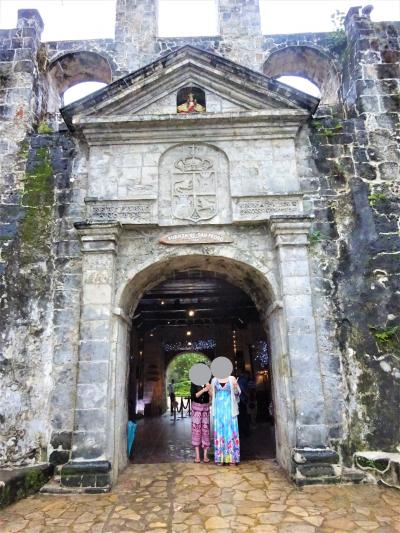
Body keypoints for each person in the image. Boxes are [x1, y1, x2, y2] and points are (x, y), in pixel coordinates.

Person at [210, 373, 241, 465]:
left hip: (230, 409)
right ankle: (221, 458)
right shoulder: (214, 380)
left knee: (230, 431)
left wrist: (235, 387)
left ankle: (231, 458)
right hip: (218, 409)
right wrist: (208, 389)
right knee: (220, 432)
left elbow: (238, 393)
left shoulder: (232, 378)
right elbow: (212, 395)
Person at [190, 381, 211, 463]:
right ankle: (197, 456)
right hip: (196, 409)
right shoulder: (194, 383)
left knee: (206, 431)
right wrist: (204, 390)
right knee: (196, 431)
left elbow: (213, 397)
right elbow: (194, 396)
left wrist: (209, 389)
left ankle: (205, 455)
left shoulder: (208, 383)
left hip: (206, 409)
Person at [237, 371, 250, 437]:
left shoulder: (239, 380)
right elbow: (242, 390)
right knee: (243, 416)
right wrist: (247, 395)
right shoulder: (243, 380)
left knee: (241, 417)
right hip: (242, 400)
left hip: (239, 401)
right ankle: (245, 432)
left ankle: (242, 432)